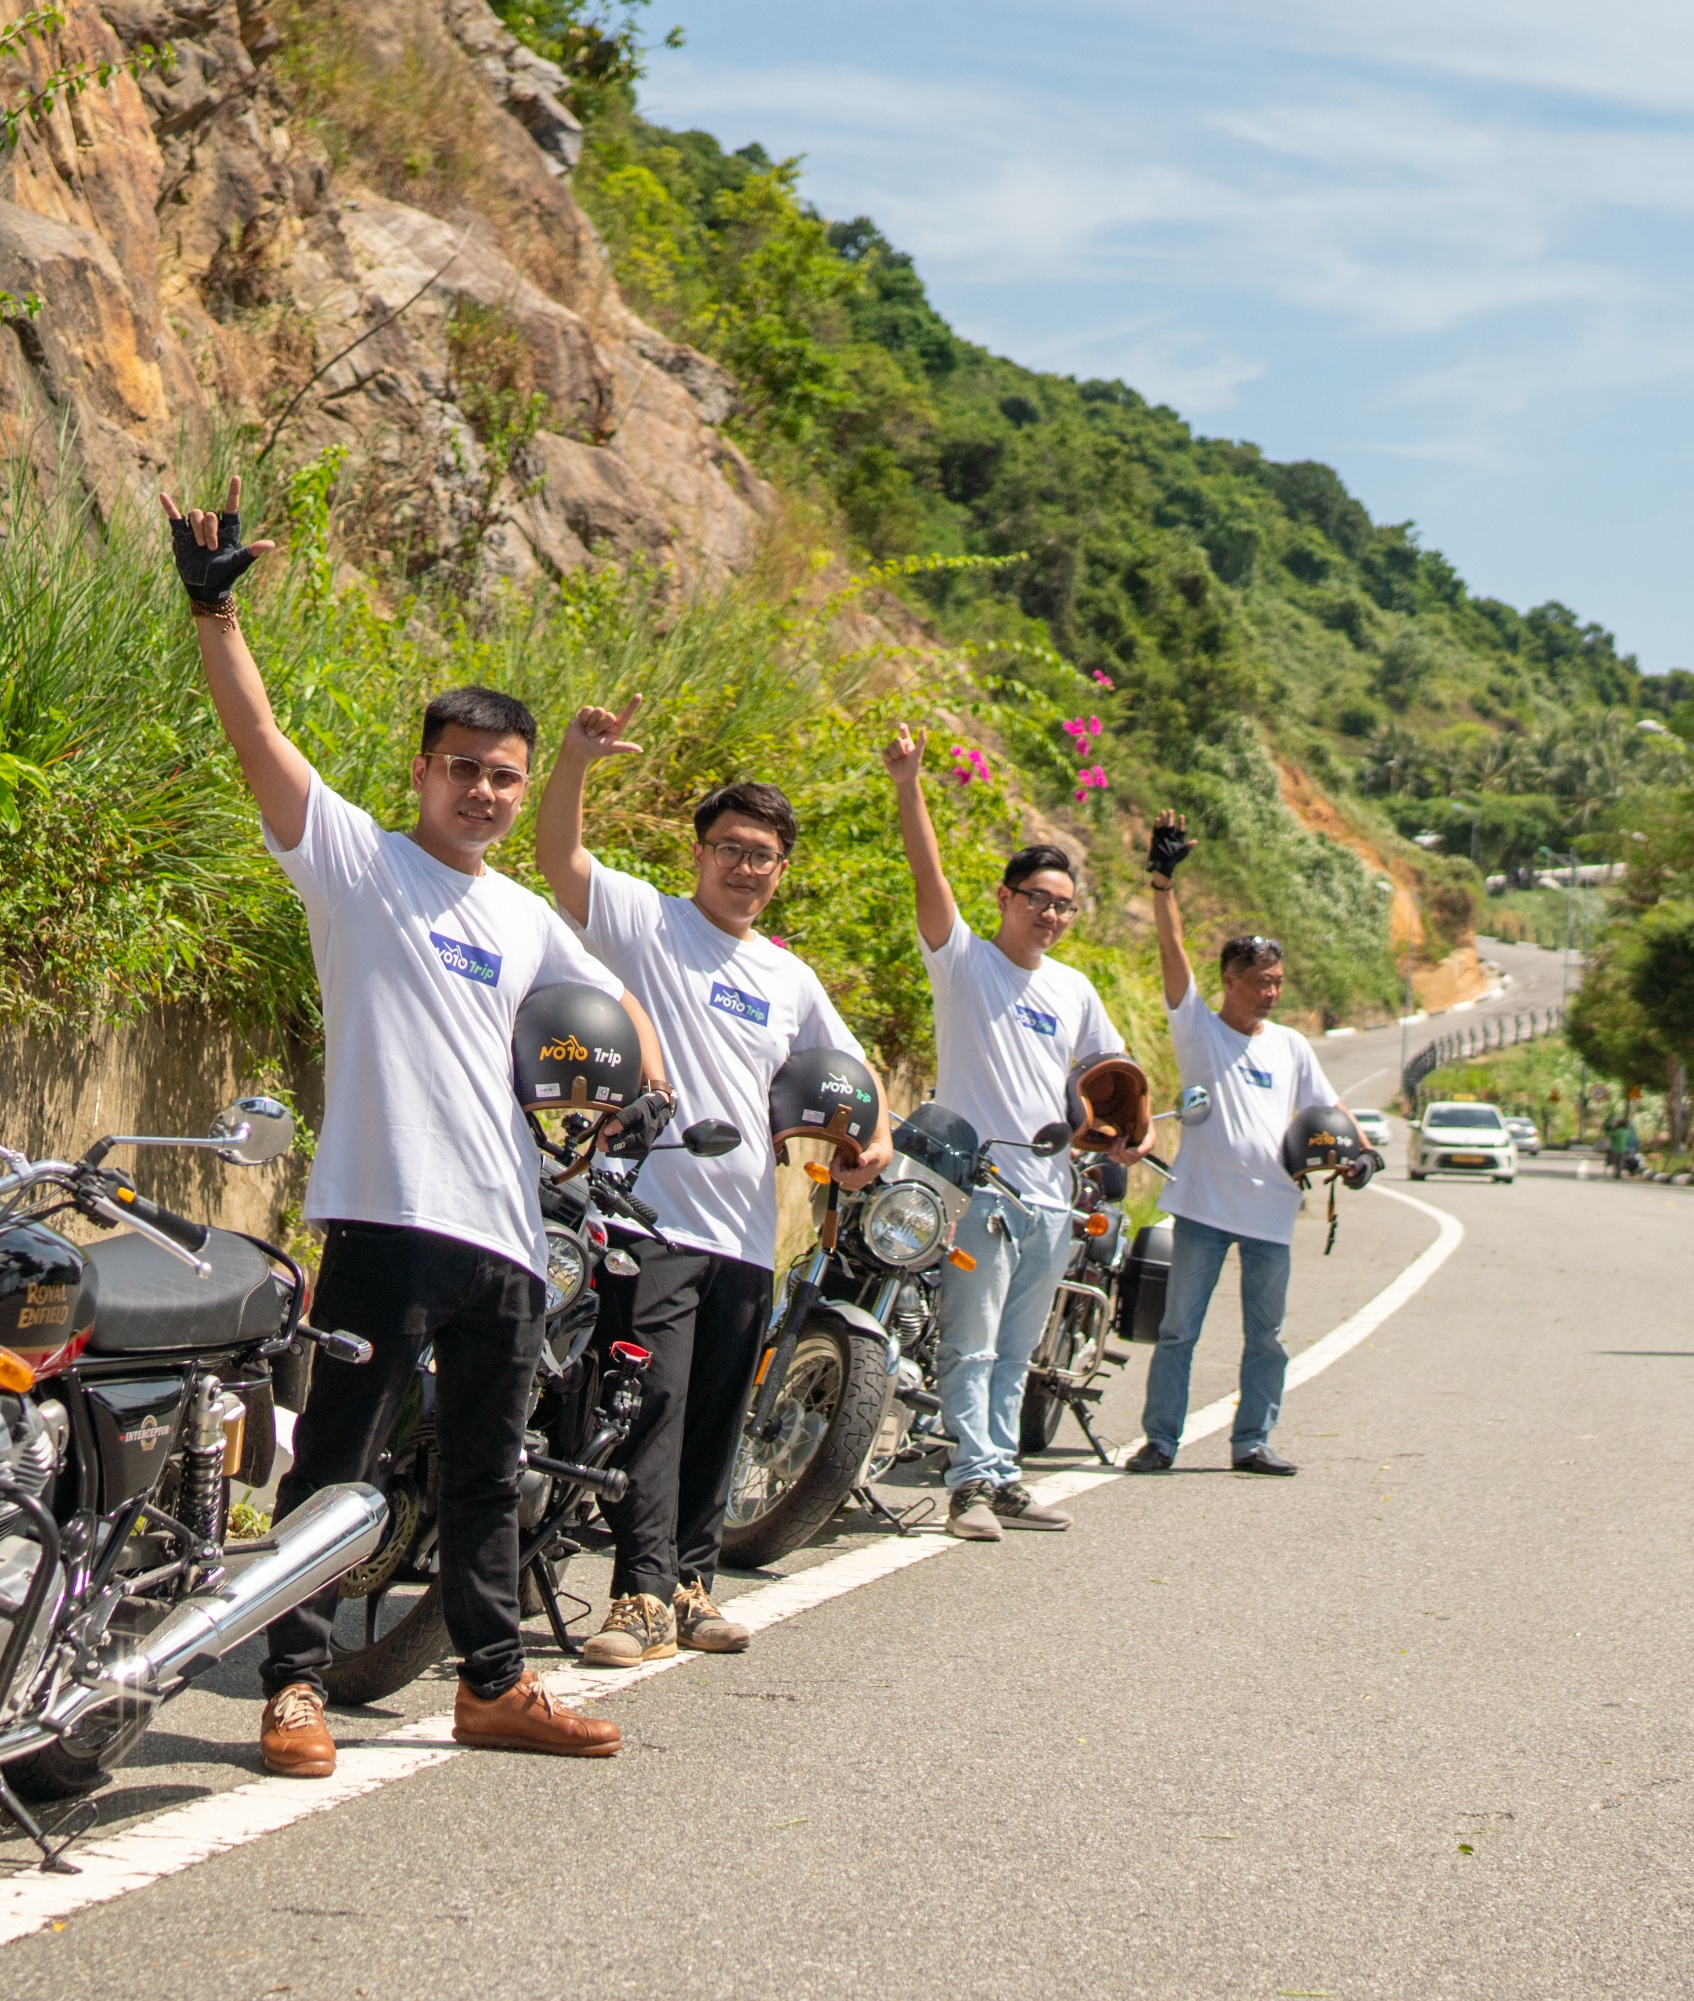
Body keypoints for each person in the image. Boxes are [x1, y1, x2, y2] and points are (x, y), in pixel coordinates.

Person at [162, 476, 671, 1776]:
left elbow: (615, 999)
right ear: (422, 773)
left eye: (505, 776)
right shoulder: (359, 865)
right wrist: (216, 619)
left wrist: (645, 1081)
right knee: (337, 1466)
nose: (489, 794)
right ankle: (291, 1686)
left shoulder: (519, 913)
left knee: (485, 1477)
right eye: (466, 771)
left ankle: (491, 1682)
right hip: (384, 1220)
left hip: (505, 1231)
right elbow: (260, 742)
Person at [534, 698, 894, 1666]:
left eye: (763, 854)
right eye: (730, 846)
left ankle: (690, 1585)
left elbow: (855, 1083)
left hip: (743, 1231)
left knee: (716, 1414)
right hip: (646, 1213)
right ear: (699, 853)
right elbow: (559, 858)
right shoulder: (649, 923)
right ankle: (637, 1598)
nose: (745, 866)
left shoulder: (788, 977)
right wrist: (573, 761)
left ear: (782, 870)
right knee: (648, 1407)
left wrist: (870, 1148)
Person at [884, 724, 1140, 1542]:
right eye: (1039, 900)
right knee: (973, 1342)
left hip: (1051, 1195)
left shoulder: (1074, 988)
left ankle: (1002, 1473)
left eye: (1065, 905)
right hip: (976, 1185)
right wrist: (908, 781)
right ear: (1005, 897)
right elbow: (927, 874)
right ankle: (967, 1485)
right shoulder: (963, 962)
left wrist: (1122, 1130)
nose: (1053, 916)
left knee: (1020, 1347)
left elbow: (1112, 1077)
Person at [1130, 807, 1346, 1478]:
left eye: (1279, 981)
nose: (1272, 992)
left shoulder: (1291, 1045)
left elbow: (1327, 1107)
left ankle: (1251, 1439)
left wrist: (1359, 1153)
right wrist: (1163, 886)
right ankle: (1161, 1440)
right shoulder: (1199, 1029)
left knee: (1268, 1337)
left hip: (1272, 1212)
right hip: (1201, 1208)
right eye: (1261, 981)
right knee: (1178, 1331)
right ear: (1229, 979)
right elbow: (1172, 956)